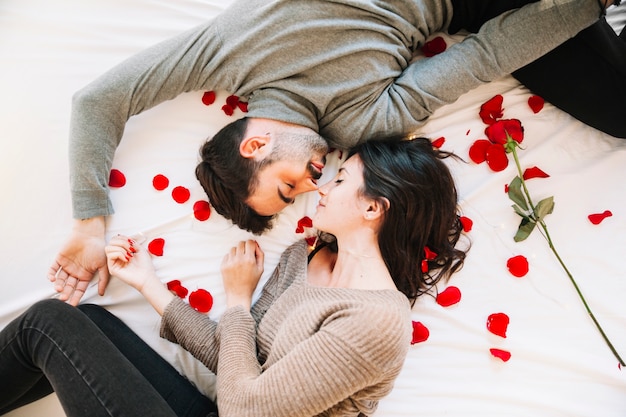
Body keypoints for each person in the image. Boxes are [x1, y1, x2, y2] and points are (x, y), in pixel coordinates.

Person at [49, 0, 623, 304]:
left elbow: (100, 99)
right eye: (303, 196)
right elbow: (479, 57)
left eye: (287, 186)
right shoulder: (360, 128)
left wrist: (90, 223)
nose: (314, 187)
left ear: (256, 143)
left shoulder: (224, 50)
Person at [1, 137, 468, 417]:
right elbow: (237, 364)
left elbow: (247, 409)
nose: (323, 189)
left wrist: (239, 300)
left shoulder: (379, 322)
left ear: (373, 208)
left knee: (47, 325)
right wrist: (149, 283)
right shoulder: (302, 258)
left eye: (341, 180)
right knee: (87, 322)